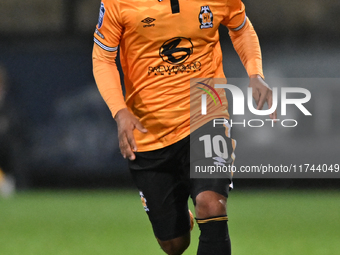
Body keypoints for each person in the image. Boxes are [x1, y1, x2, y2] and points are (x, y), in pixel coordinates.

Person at [92, 1, 276, 254]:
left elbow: (241, 27)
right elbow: (102, 57)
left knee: (211, 205)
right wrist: (120, 111)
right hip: (150, 130)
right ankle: (180, 218)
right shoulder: (118, 2)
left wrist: (256, 74)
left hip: (207, 113)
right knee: (174, 244)